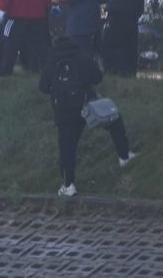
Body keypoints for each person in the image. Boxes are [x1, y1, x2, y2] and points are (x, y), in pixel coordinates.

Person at [39, 35, 136, 197]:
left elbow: (43, 87)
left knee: (67, 149)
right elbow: (98, 78)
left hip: (64, 113)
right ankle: (124, 156)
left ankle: (69, 186)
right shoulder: (81, 57)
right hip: (87, 107)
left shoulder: (52, 61)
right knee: (114, 121)